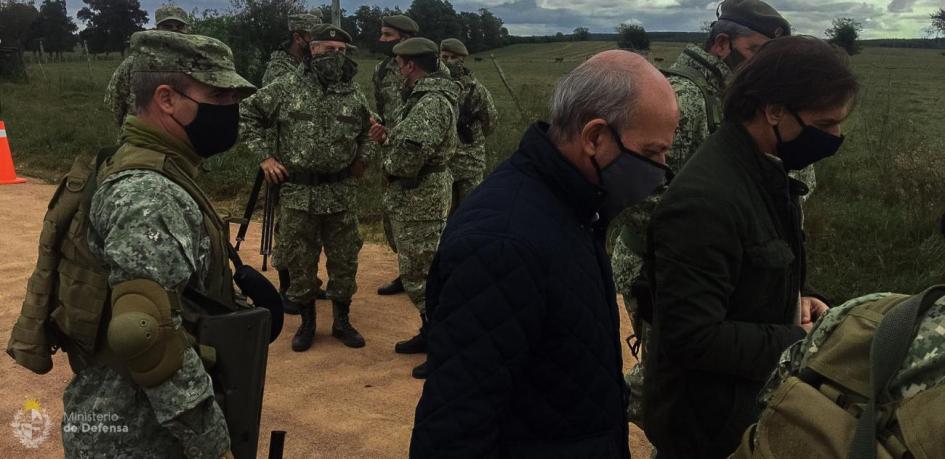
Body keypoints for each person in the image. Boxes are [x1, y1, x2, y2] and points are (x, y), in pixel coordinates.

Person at [410, 50, 677, 457]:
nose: (661, 169)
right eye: (653, 152)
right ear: (594, 138)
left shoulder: (576, 208)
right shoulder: (503, 243)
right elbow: (454, 430)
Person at [642, 36, 859, 458]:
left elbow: (759, 271)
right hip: (708, 431)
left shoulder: (768, 172)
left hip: (746, 411)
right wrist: (800, 341)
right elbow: (693, 336)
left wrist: (803, 298)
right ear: (773, 110)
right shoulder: (705, 201)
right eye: (825, 124)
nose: (836, 136)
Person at [611, 0, 805, 426]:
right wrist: (706, 241)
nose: (763, 69)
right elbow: (644, 193)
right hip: (657, 264)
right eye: (756, 52)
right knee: (674, 373)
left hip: (704, 261)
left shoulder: (725, 94)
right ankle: (598, 417)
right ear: (722, 44)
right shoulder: (684, 98)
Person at [63, 30, 257, 457]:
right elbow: (146, 336)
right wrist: (212, 444)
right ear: (166, 99)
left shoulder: (150, 168)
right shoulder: (150, 195)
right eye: (218, 96)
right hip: (141, 433)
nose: (231, 110)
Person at [241, 25, 372, 351]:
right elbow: (246, 113)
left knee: (344, 261)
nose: (336, 57)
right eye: (328, 50)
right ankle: (308, 323)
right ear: (311, 49)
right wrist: (265, 158)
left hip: (341, 193)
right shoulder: (285, 87)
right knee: (301, 262)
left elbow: (371, 129)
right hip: (299, 194)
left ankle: (342, 321)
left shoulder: (352, 92)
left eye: (342, 51)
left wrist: (364, 158)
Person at [367, 38, 458, 377]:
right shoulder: (426, 98)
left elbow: (407, 161)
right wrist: (388, 137)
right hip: (422, 194)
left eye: (400, 64)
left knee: (421, 275)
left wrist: (387, 153)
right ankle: (429, 332)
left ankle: (443, 346)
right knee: (422, 270)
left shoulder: (430, 102)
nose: (398, 70)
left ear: (409, 65)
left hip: (421, 197)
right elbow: (411, 144)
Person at [260, 12, 327, 306]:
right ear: (300, 38)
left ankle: (308, 281)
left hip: (309, 159)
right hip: (284, 159)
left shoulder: (312, 67)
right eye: (315, 38)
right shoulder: (279, 70)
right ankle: (286, 287)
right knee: (287, 227)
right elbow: (262, 115)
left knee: (310, 226)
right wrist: (266, 156)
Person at [373, 14, 419, 296]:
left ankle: (427, 274)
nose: (381, 40)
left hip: (422, 156)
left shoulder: (431, 66)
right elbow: (380, 108)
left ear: (405, 38)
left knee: (423, 218)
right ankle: (405, 272)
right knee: (392, 214)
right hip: (391, 153)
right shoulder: (381, 70)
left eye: (387, 35)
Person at [104, 4, 190, 129]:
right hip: (140, 137)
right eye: (167, 26)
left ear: (188, 30)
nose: (174, 31)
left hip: (181, 138)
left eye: (180, 27)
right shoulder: (134, 62)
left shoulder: (198, 64)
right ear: (157, 29)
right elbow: (115, 102)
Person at [439, 38, 498, 212]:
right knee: (443, 215)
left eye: (452, 57)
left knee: (470, 213)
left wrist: (471, 142)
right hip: (444, 164)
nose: (447, 62)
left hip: (469, 164)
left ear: (461, 60)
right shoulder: (434, 86)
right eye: (444, 57)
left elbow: (491, 121)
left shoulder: (477, 90)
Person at [261, 13, 322, 86]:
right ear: (297, 38)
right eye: (312, 37)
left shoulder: (310, 62)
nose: (317, 42)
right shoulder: (277, 69)